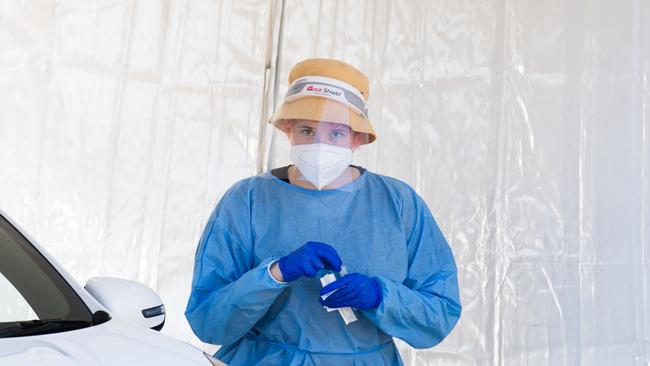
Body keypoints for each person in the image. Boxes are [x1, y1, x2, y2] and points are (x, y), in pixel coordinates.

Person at [185, 58, 461, 365]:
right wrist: (276, 273)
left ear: (358, 138)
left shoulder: (398, 203)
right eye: (306, 130)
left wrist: (381, 296)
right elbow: (208, 320)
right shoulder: (247, 201)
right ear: (287, 129)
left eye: (336, 134)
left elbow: (440, 312)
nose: (319, 143)